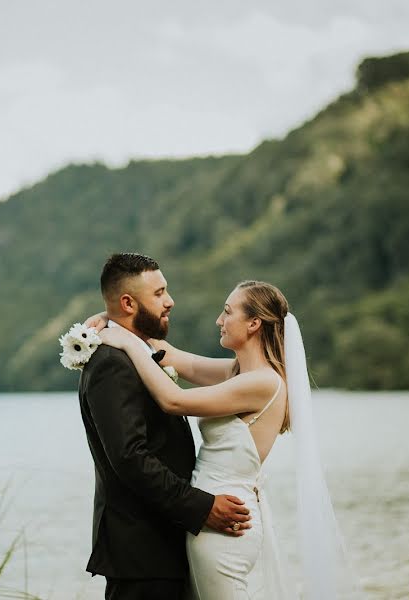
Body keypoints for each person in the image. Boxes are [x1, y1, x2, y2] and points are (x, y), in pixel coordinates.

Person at [90, 278, 364, 599]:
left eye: (227, 312)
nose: (219, 320)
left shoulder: (262, 383)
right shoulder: (238, 374)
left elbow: (173, 401)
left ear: (253, 323)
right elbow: (174, 357)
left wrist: (125, 343)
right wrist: (111, 320)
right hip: (210, 519)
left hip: (224, 523)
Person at [77, 253, 253, 600]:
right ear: (128, 302)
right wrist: (203, 508)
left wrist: (109, 321)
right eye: (158, 293)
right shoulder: (112, 363)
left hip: (162, 546)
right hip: (143, 552)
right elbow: (130, 457)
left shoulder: (140, 352)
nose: (169, 301)